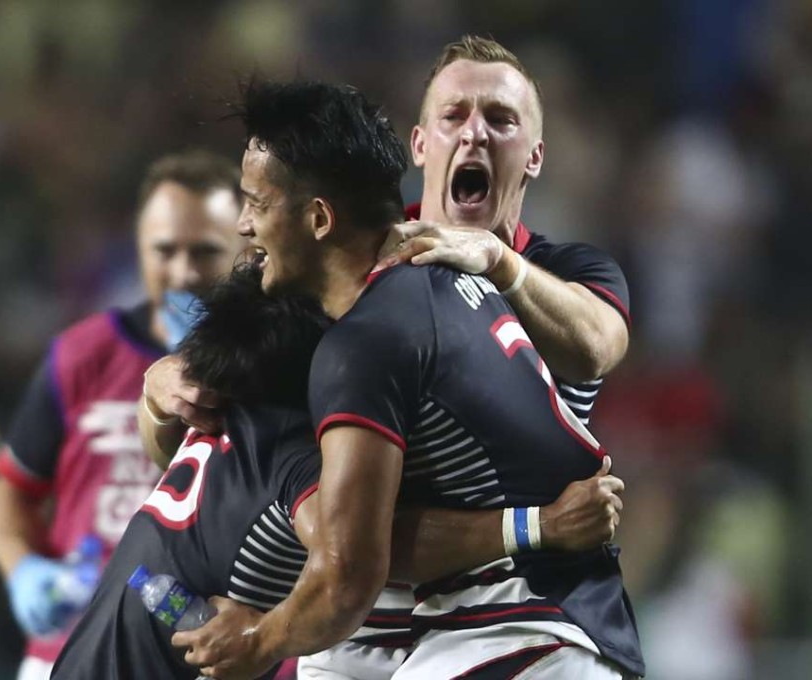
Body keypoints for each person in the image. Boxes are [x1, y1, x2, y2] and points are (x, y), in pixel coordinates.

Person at [159, 79, 642, 679]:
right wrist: (162, 386)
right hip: (427, 626)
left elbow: (352, 565)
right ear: (418, 145)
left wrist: (256, 640)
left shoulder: (373, 332)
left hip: (515, 621)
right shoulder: (434, 282)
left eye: (256, 207)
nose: (244, 230)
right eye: (454, 114)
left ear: (318, 219)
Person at [51, 266, 625, 680]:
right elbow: (363, 550)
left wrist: (155, 390)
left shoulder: (217, 404)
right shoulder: (296, 447)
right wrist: (537, 526)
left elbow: (163, 441)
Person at [0, 150, 245, 680]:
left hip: (200, 652)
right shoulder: (82, 355)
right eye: (164, 250)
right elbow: (11, 494)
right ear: (138, 249)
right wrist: (25, 573)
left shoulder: (266, 371)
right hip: (70, 648)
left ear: (245, 246)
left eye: (206, 251)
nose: (183, 271)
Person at [375, 35, 631, 428]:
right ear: (420, 146)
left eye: (500, 120)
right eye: (453, 116)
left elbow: (594, 348)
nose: (474, 133)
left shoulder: (576, 270)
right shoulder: (367, 263)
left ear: (534, 157)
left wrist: (497, 260)